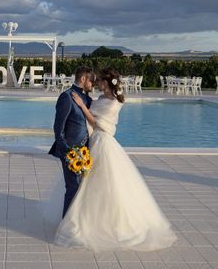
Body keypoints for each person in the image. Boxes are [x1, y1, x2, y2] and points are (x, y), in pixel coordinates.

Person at [47, 68, 177, 252]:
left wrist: (83, 107)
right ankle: (76, 223)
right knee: (83, 187)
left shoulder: (113, 103)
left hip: (103, 144)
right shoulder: (94, 99)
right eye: (94, 80)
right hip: (88, 145)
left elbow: (97, 123)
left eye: (99, 81)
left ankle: (100, 225)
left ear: (107, 83)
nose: (96, 84)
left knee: (104, 186)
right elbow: (64, 124)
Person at [48, 66, 95, 217]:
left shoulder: (88, 99)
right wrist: (68, 151)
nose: (93, 84)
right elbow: (58, 128)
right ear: (83, 79)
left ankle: (76, 222)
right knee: (73, 187)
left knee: (82, 189)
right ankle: (65, 225)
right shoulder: (66, 97)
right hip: (70, 152)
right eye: (91, 81)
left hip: (86, 152)